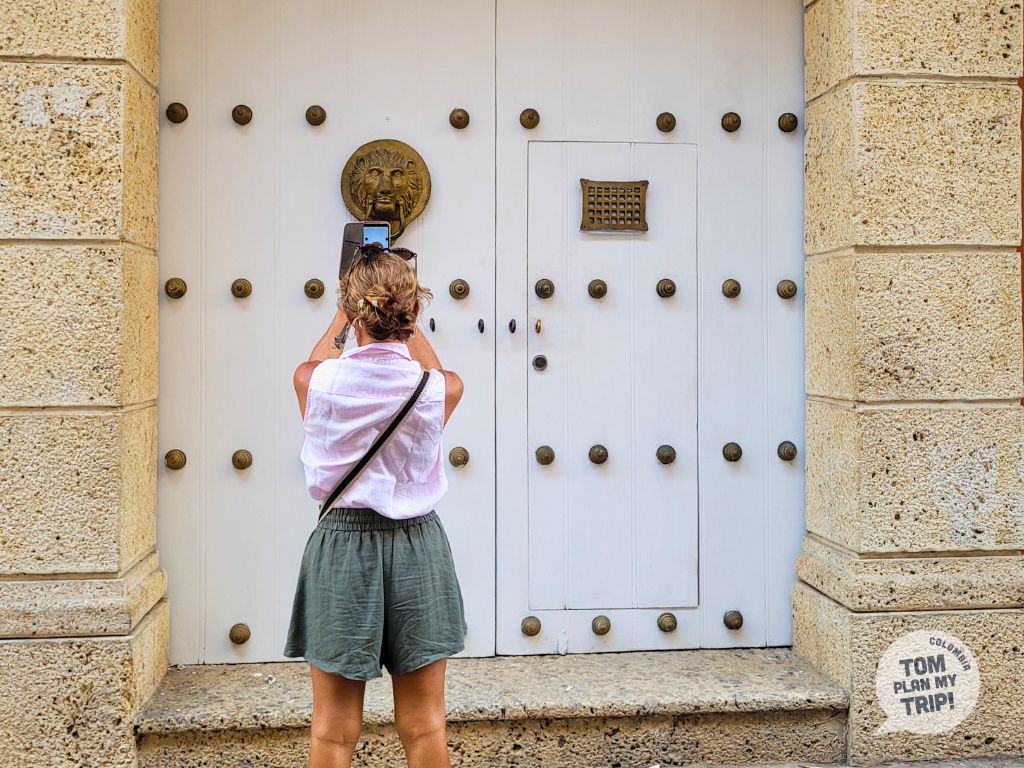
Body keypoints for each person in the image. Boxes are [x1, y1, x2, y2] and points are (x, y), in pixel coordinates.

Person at [283, 243, 468, 768]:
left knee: (333, 730)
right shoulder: (437, 390)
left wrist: (343, 308)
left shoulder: (314, 381)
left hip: (342, 546)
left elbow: (316, 363)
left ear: (352, 309)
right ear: (411, 312)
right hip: (418, 546)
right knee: (426, 725)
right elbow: (441, 376)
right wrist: (410, 321)